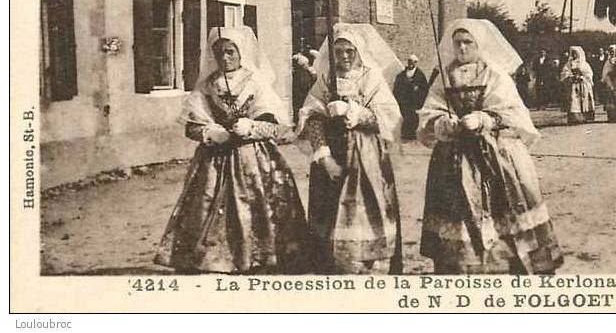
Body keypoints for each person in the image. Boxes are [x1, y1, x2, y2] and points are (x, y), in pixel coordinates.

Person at [155, 27, 308, 274]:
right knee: (206, 204)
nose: (225, 58)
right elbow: (191, 126)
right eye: (219, 53)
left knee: (258, 205)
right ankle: (215, 259)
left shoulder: (256, 82)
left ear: (241, 53)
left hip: (253, 157)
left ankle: (260, 256)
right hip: (215, 159)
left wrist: (252, 127)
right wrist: (210, 133)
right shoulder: (207, 86)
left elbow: (277, 128)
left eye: (230, 52)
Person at [418, 19, 563, 274]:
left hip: (494, 154)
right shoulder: (445, 75)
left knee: (504, 206)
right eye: (457, 43)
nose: (462, 48)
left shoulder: (494, 75)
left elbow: (513, 113)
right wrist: (443, 122)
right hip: (454, 156)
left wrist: (485, 119)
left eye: (468, 43)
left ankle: (505, 264)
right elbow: (430, 110)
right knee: (456, 210)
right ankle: (461, 264)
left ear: (479, 45)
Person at [297, 23, 403, 274]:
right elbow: (311, 115)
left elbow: (389, 117)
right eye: (339, 51)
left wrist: (357, 114)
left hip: (366, 154)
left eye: (349, 51)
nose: (344, 57)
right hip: (333, 153)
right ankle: (333, 263)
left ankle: (368, 261)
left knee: (365, 206)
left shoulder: (372, 77)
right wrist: (323, 154)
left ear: (359, 51)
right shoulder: (325, 78)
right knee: (331, 208)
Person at [393, 54, 429, 140]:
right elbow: (397, 87)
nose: (411, 64)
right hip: (403, 101)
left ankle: (412, 134)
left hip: (414, 102)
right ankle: (404, 133)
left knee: (413, 118)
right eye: (410, 61)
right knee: (404, 116)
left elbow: (424, 89)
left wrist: (419, 96)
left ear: (416, 63)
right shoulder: (401, 75)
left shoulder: (420, 76)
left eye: (414, 62)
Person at [560, 46, 596, 125]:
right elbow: (564, 72)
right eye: (573, 53)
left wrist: (582, 77)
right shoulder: (569, 63)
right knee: (574, 100)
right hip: (573, 84)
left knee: (583, 99)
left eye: (575, 53)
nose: (574, 55)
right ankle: (574, 118)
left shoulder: (584, 63)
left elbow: (589, 73)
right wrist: (570, 76)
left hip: (582, 84)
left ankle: (584, 117)